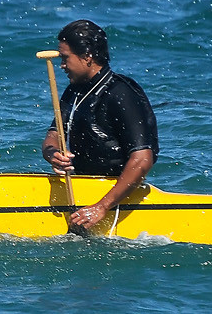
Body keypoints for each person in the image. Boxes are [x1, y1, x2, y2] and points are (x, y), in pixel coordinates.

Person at [41, 19, 159, 230]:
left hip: (115, 195)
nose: (62, 65)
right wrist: (53, 154)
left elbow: (142, 159)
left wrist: (102, 207)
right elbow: (54, 133)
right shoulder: (73, 91)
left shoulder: (120, 93)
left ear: (87, 56)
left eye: (66, 58)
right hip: (83, 186)